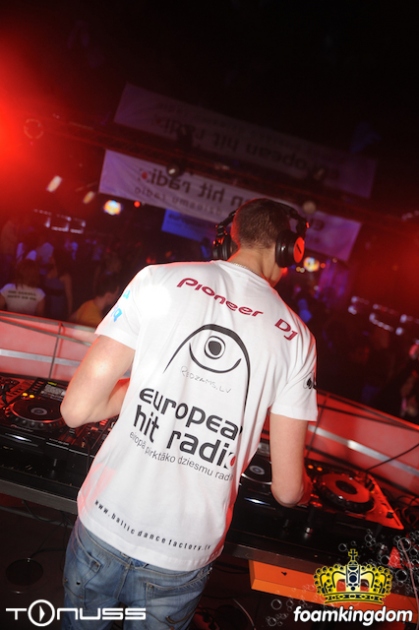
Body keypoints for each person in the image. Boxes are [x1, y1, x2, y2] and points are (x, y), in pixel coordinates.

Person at [60, 198, 318, 629]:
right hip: (182, 552)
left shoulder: (158, 279)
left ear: (229, 239)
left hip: (104, 521)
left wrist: (151, 384)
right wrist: (308, 489)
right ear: (291, 250)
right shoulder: (297, 339)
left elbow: (75, 410)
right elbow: (289, 491)